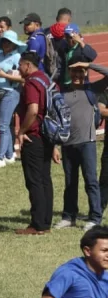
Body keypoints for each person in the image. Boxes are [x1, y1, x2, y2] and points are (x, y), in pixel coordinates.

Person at [53, 60, 108, 232]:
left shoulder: (92, 90)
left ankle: (95, 218)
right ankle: (68, 217)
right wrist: (55, 146)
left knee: (91, 182)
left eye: (80, 71)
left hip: (87, 143)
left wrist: (88, 64)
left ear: (85, 73)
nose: (77, 75)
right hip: (68, 145)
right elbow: (56, 120)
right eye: (74, 71)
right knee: (70, 183)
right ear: (69, 73)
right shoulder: (62, 93)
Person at [16, 52, 55, 235]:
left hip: (34, 136)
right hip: (47, 135)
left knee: (34, 181)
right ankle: (45, 222)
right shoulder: (46, 79)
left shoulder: (32, 83)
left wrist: (21, 131)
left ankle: (37, 224)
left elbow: (32, 110)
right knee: (45, 179)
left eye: (20, 65)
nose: (18, 68)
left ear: (27, 65)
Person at [0, 30, 26, 168]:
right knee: (3, 126)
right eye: (4, 41)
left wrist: (4, 75)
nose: (6, 44)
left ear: (14, 44)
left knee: (3, 126)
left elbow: (22, 78)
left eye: (9, 42)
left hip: (10, 92)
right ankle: (8, 155)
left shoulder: (17, 57)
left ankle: (0, 157)